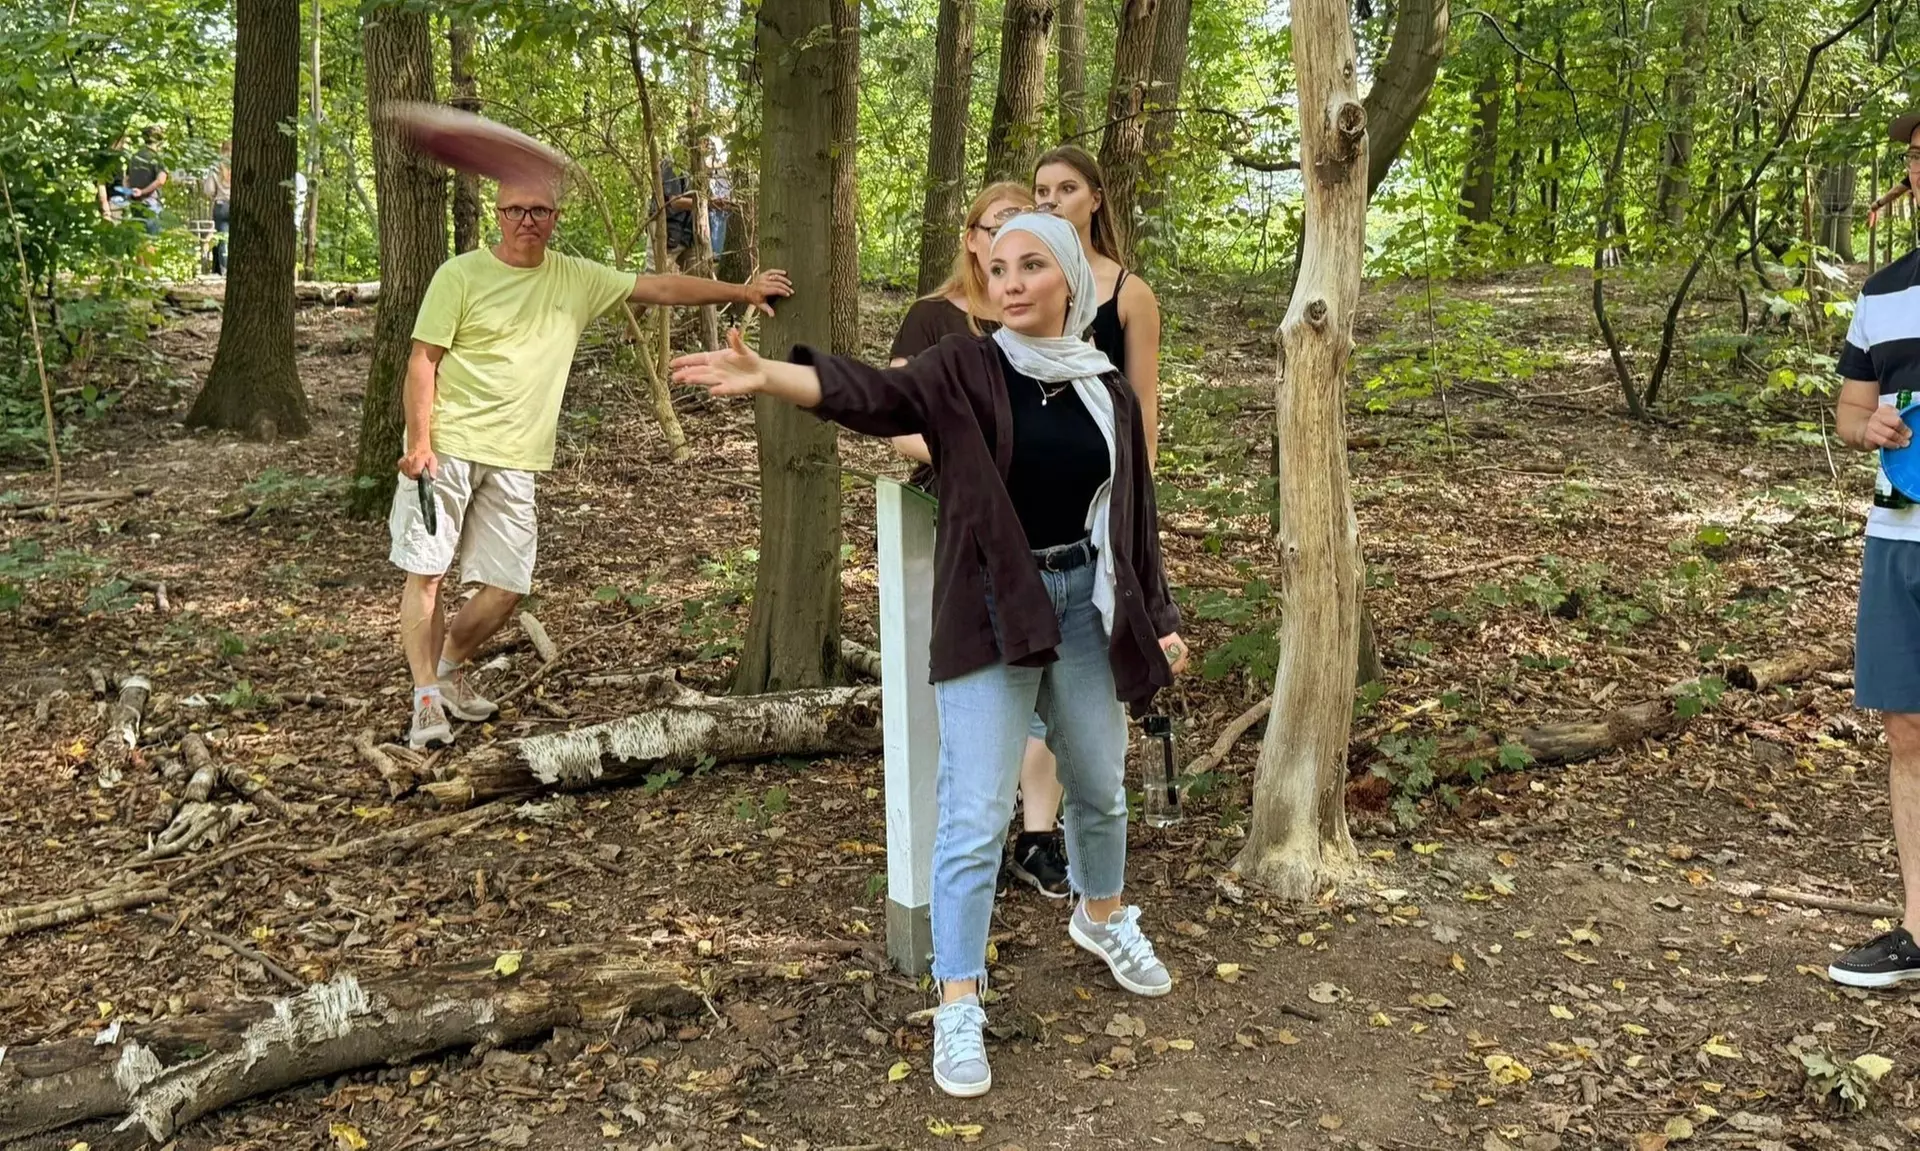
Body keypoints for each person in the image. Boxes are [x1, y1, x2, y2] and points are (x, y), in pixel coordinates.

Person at [672, 212, 1192, 1099]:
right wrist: (772, 375)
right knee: (974, 813)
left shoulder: (1109, 388)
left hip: (1084, 608)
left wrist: (1160, 615)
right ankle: (958, 996)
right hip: (995, 606)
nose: (1012, 280)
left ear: (1070, 275)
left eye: (1033, 264)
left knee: (1100, 786)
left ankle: (1100, 915)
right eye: (997, 268)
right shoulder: (966, 370)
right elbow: (877, 395)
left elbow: (1130, 516)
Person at [390, 173, 793, 749]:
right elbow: (422, 360)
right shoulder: (460, 276)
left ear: (554, 220)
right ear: (497, 215)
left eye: (539, 211)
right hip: (448, 446)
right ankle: (425, 698)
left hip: (515, 457)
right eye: (515, 210)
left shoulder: (575, 277)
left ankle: (448, 670)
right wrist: (420, 441)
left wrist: (742, 292)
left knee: (506, 587)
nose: (526, 220)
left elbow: (660, 288)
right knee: (427, 573)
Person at [996, 145, 1168, 896]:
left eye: (1067, 188)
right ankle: (1036, 833)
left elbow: (1143, 401)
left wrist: (1137, 509)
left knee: (1091, 667)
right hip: (1028, 524)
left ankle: (1080, 844)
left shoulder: (1128, 293)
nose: (1053, 199)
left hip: (1106, 512)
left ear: (1096, 198)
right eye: (1041, 190)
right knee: (1039, 671)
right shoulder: (1023, 283)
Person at [1826, 110, 1920, 988]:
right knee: (1907, 727)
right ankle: (1917, 930)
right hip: (1898, 536)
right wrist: (1873, 428)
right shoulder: (1884, 291)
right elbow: (1851, 413)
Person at [886, 181, 1034, 488]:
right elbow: (901, 426)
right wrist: (978, 459)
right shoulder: (930, 316)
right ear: (971, 239)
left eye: (1023, 230)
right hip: (949, 494)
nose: (1010, 243)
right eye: (997, 232)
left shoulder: (1052, 319)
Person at [205, 140, 232, 275]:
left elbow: (209, 190)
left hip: (221, 206)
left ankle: (223, 270)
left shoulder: (215, 168)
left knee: (222, 238)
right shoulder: (241, 165)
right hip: (236, 206)